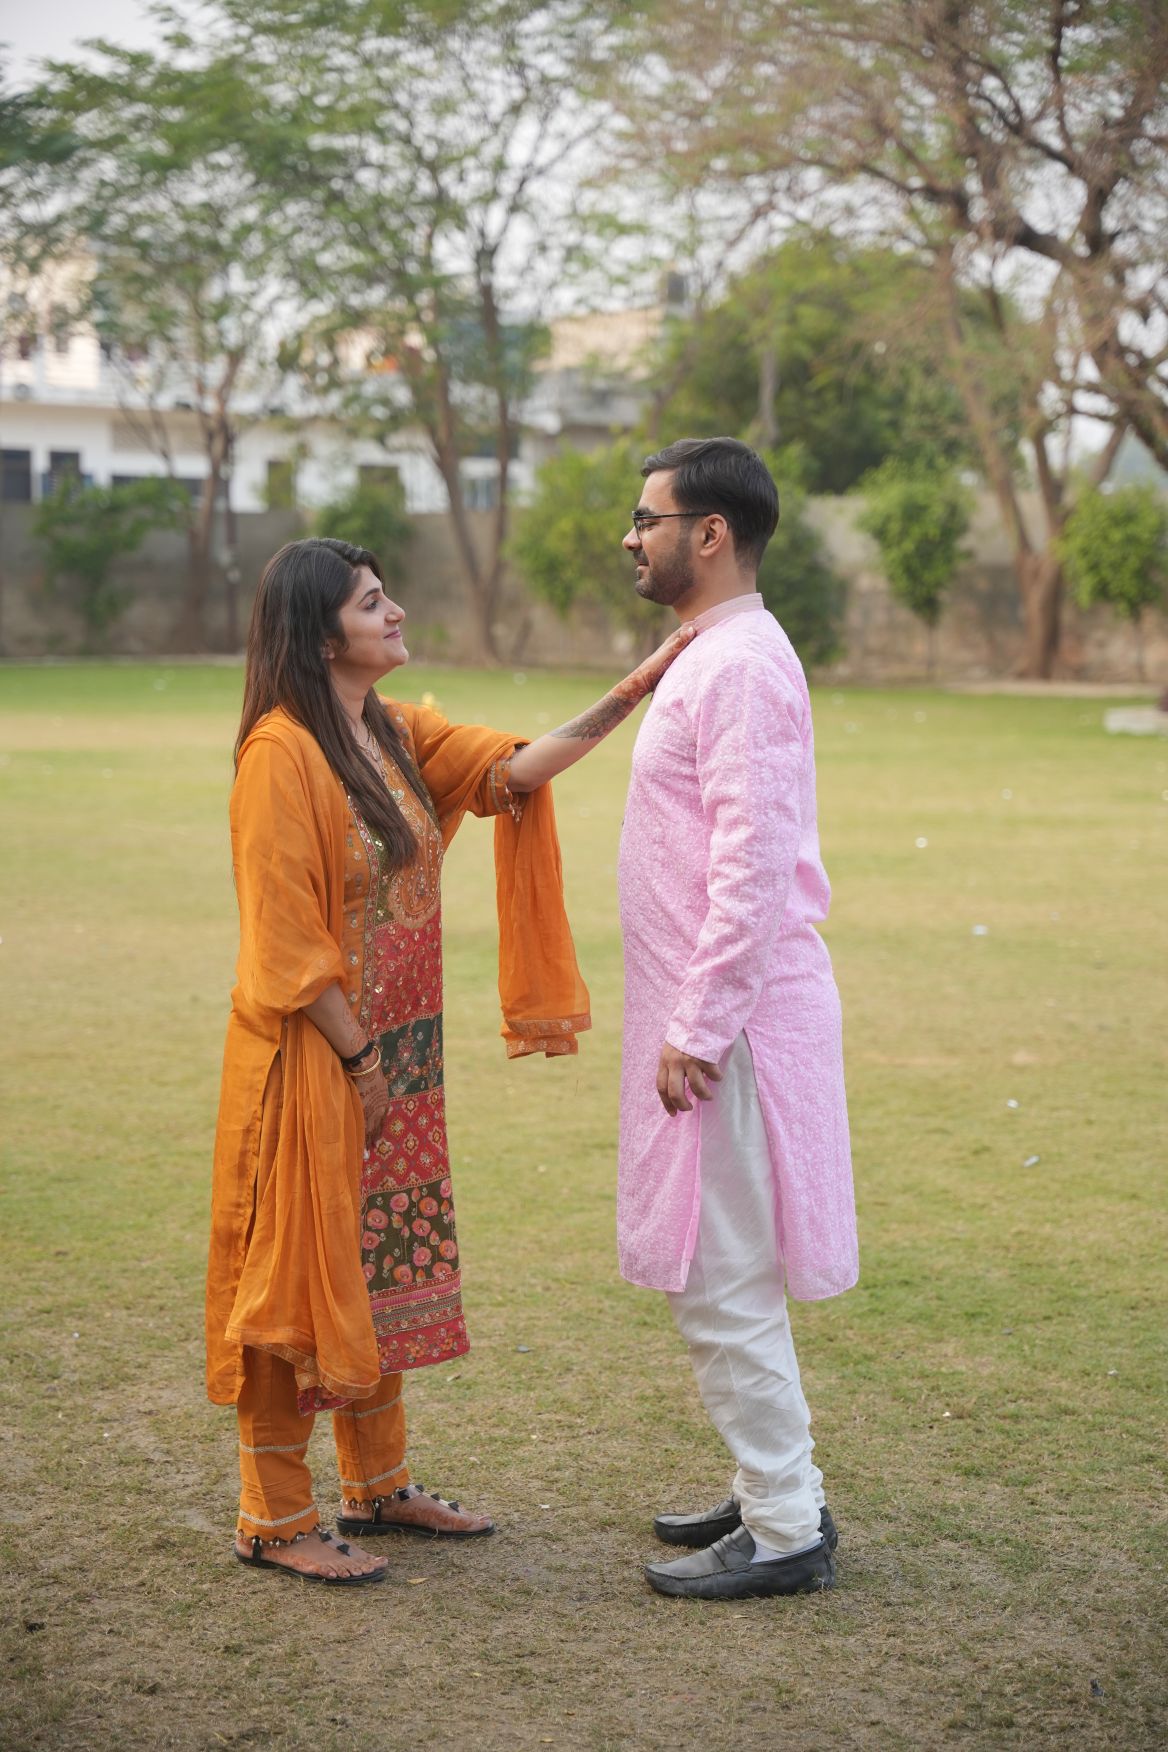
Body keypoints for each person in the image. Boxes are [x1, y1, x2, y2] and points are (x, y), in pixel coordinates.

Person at [207, 536, 692, 1586]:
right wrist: (361, 1062)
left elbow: (514, 770)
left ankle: (376, 1485)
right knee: (298, 1277)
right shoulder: (280, 754)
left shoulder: (390, 731)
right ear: (318, 634)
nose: (395, 614)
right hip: (317, 1059)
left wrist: (639, 683)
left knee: (378, 1262)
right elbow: (284, 943)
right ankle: (272, 1517)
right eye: (371, 603)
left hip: (400, 1056)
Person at [615, 438, 858, 1602]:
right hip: (721, 1019)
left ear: (709, 533)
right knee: (731, 1274)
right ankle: (779, 1486)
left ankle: (783, 1529)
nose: (631, 538)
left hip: (736, 1030)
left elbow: (753, 863)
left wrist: (701, 1025)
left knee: (717, 1282)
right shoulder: (715, 653)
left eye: (647, 519)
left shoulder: (741, 665)